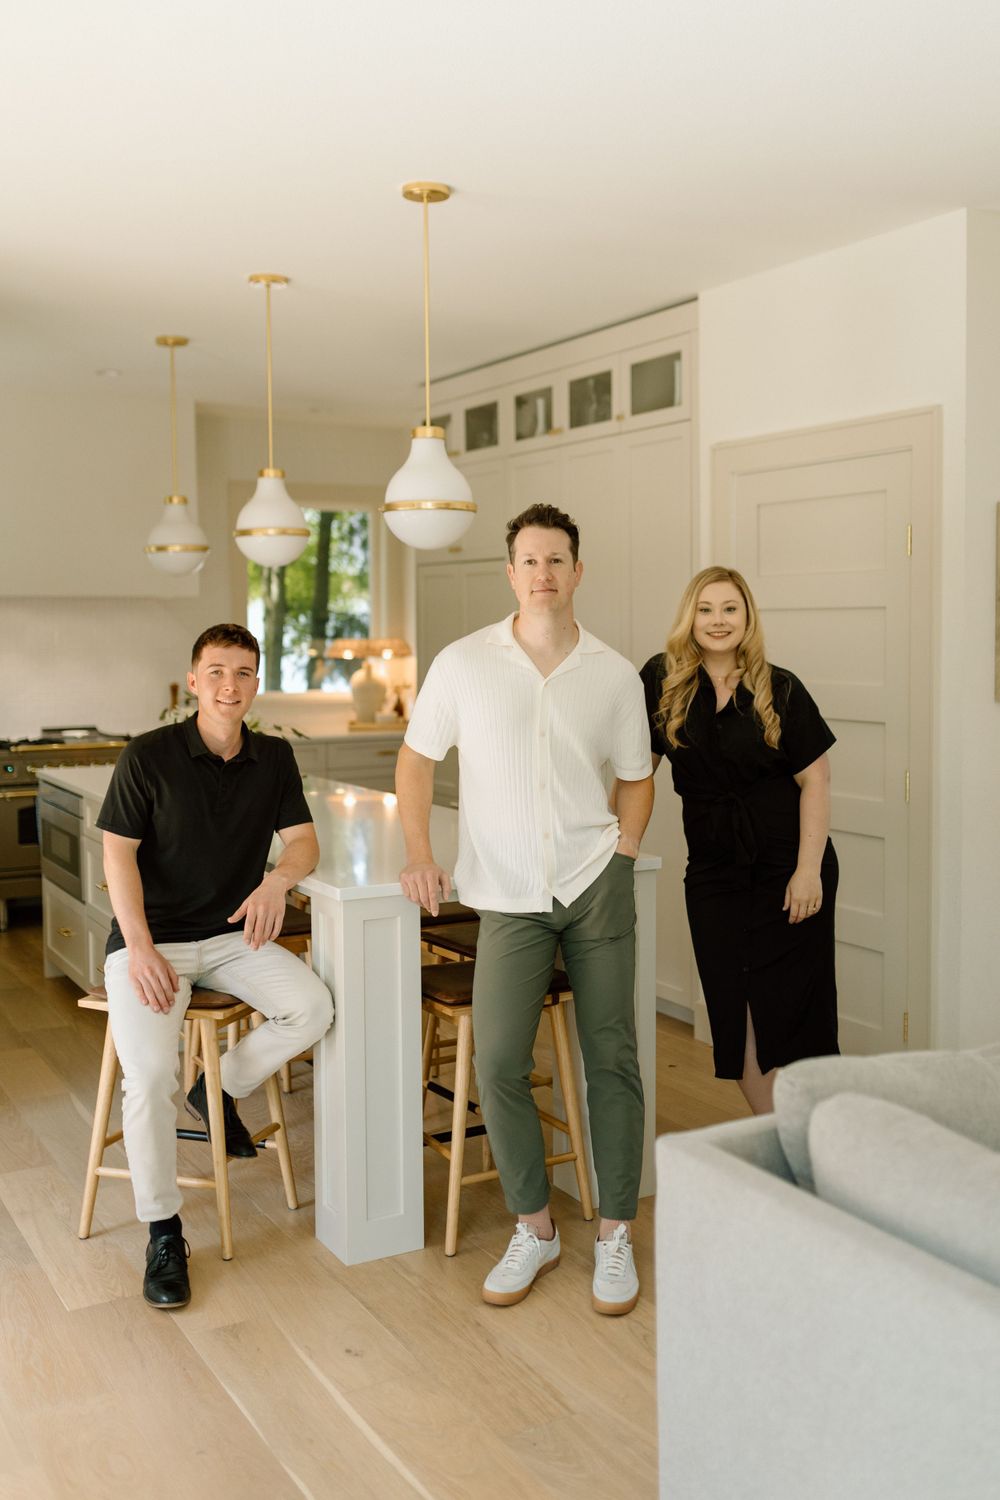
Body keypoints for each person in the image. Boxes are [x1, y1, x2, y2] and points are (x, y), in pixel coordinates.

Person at [396, 503, 654, 1315]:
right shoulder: (463, 664)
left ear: (578, 571)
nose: (544, 574)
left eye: (557, 560)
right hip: (507, 897)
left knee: (611, 1056)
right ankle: (535, 1228)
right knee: (500, 1059)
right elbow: (414, 761)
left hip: (595, 883)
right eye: (530, 561)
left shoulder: (614, 675)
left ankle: (615, 1234)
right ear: (511, 573)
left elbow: (637, 776)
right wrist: (420, 853)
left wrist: (623, 853)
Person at [98, 623, 333, 1309]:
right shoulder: (148, 756)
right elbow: (117, 855)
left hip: (232, 938)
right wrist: (140, 946)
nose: (230, 686)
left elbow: (305, 843)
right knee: (149, 1077)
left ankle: (218, 1088)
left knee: (313, 1008)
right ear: (194, 681)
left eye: (244, 673)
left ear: (257, 683)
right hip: (153, 942)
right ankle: (163, 1232)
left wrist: (277, 881)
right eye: (217, 672)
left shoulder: (274, 758)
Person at [637, 567, 838, 1115]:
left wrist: (808, 871)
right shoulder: (661, 680)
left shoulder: (781, 687)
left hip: (789, 868)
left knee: (793, 1010)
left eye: (730, 608)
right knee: (735, 1007)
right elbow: (637, 771)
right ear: (690, 617)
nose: (718, 620)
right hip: (713, 872)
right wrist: (612, 837)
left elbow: (816, 780)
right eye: (705, 609)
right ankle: (779, 1132)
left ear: (747, 617)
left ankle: (810, 1137)